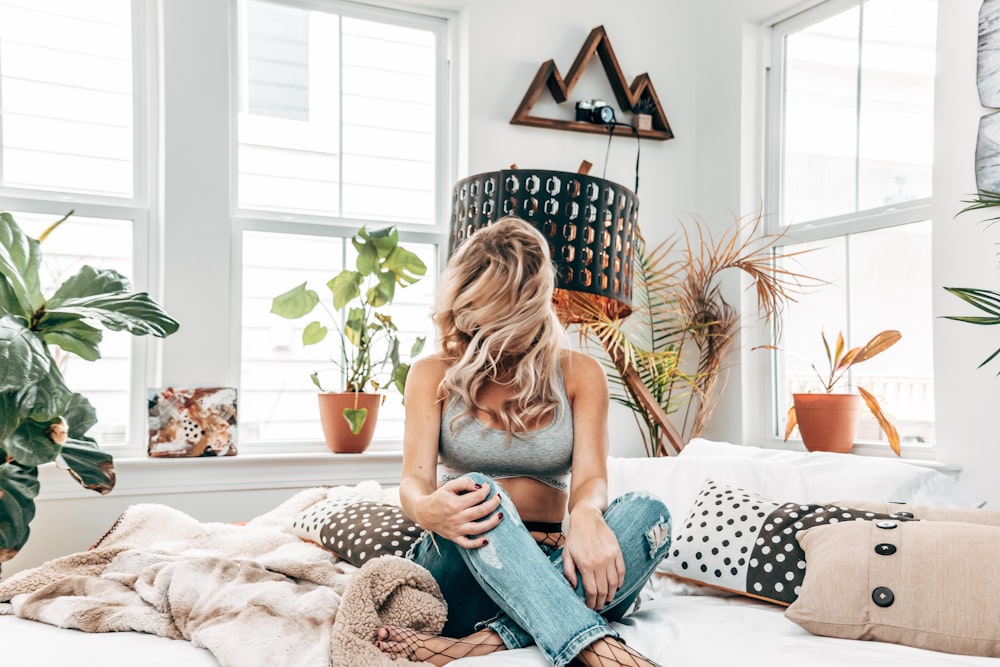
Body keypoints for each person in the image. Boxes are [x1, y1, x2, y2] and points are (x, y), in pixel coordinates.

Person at [374, 216, 671, 667]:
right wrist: (425, 507)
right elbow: (413, 481)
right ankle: (597, 648)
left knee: (650, 514)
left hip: (555, 558)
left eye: (507, 316)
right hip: (462, 564)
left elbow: (591, 476)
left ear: (535, 306)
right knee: (479, 490)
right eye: (482, 314)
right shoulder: (431, 372)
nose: (492, 334)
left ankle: (476, 646)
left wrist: (587, 513)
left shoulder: (579, 374)